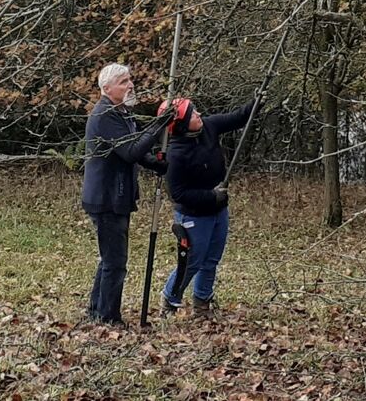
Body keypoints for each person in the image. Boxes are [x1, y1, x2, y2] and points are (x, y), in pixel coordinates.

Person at [81, 63, 170, 325]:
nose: (130, 85)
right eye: (123, 82)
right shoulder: (105, 115)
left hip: (117, 197)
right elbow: (130, 150)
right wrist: (158, 126)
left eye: (130, 80)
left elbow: (136, 153)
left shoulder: (123, 114)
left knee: (109, 258)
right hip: (106, 198)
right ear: (107, 89)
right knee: (115, 261)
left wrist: (156, 163)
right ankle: (108, 318)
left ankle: (97, 310)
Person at [158, 97, 255, 315]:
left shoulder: (208, 127)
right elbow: (178, 194)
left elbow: (238, 118)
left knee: (211, 258)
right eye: (193, 114)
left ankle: (202, 301)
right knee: (193, 261)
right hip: (194, 215)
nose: (199, 115)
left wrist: (256, 101)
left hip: (218, 210)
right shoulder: (176, 154)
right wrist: (211, 197)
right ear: (182, 125)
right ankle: (170, 297)